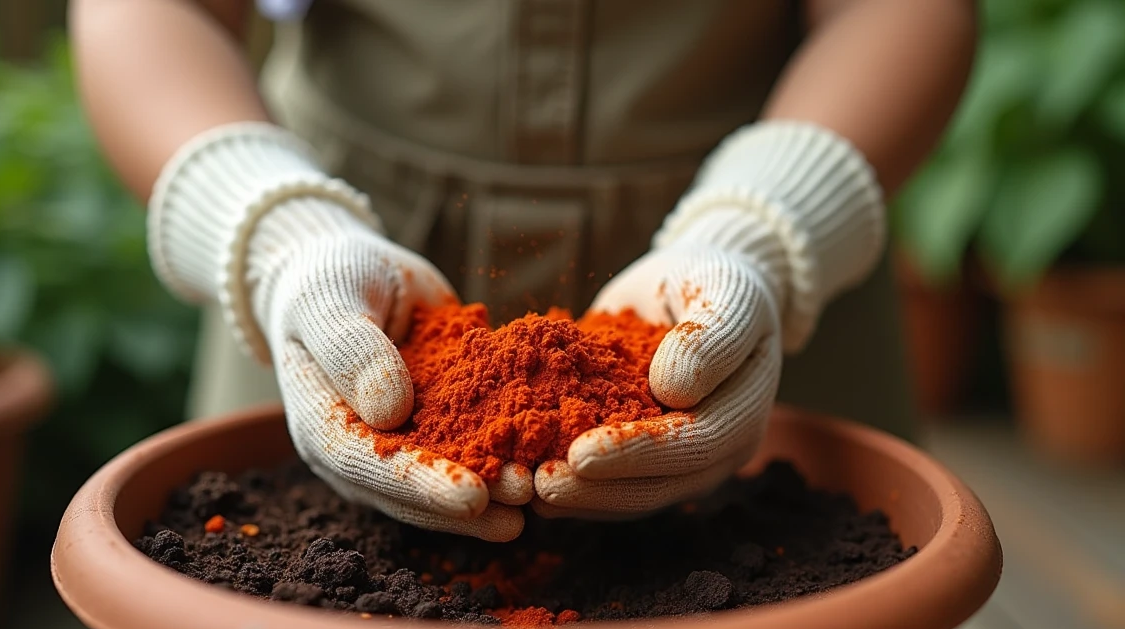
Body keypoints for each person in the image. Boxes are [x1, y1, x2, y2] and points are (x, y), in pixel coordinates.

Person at [70, 0, 977, 541]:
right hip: (344, 271)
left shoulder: (760, 244)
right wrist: (277, 229)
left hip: (759, 251)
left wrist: (762, 233)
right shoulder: (306, 251)